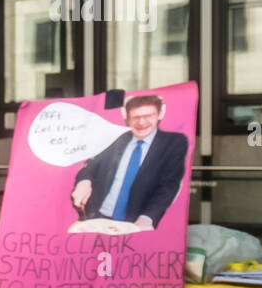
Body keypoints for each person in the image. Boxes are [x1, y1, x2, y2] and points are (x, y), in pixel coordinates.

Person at [70, 93, 188, 229]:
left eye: (149, 116)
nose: (142, 122)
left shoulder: (174, 142)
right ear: (127, 118)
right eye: (136, 117)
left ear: (159, 114)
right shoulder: (115, 138)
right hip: (99, 219)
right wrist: (84, 182)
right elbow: (90, 165)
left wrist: (147, 218)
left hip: (138, 222)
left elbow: (169, 185)